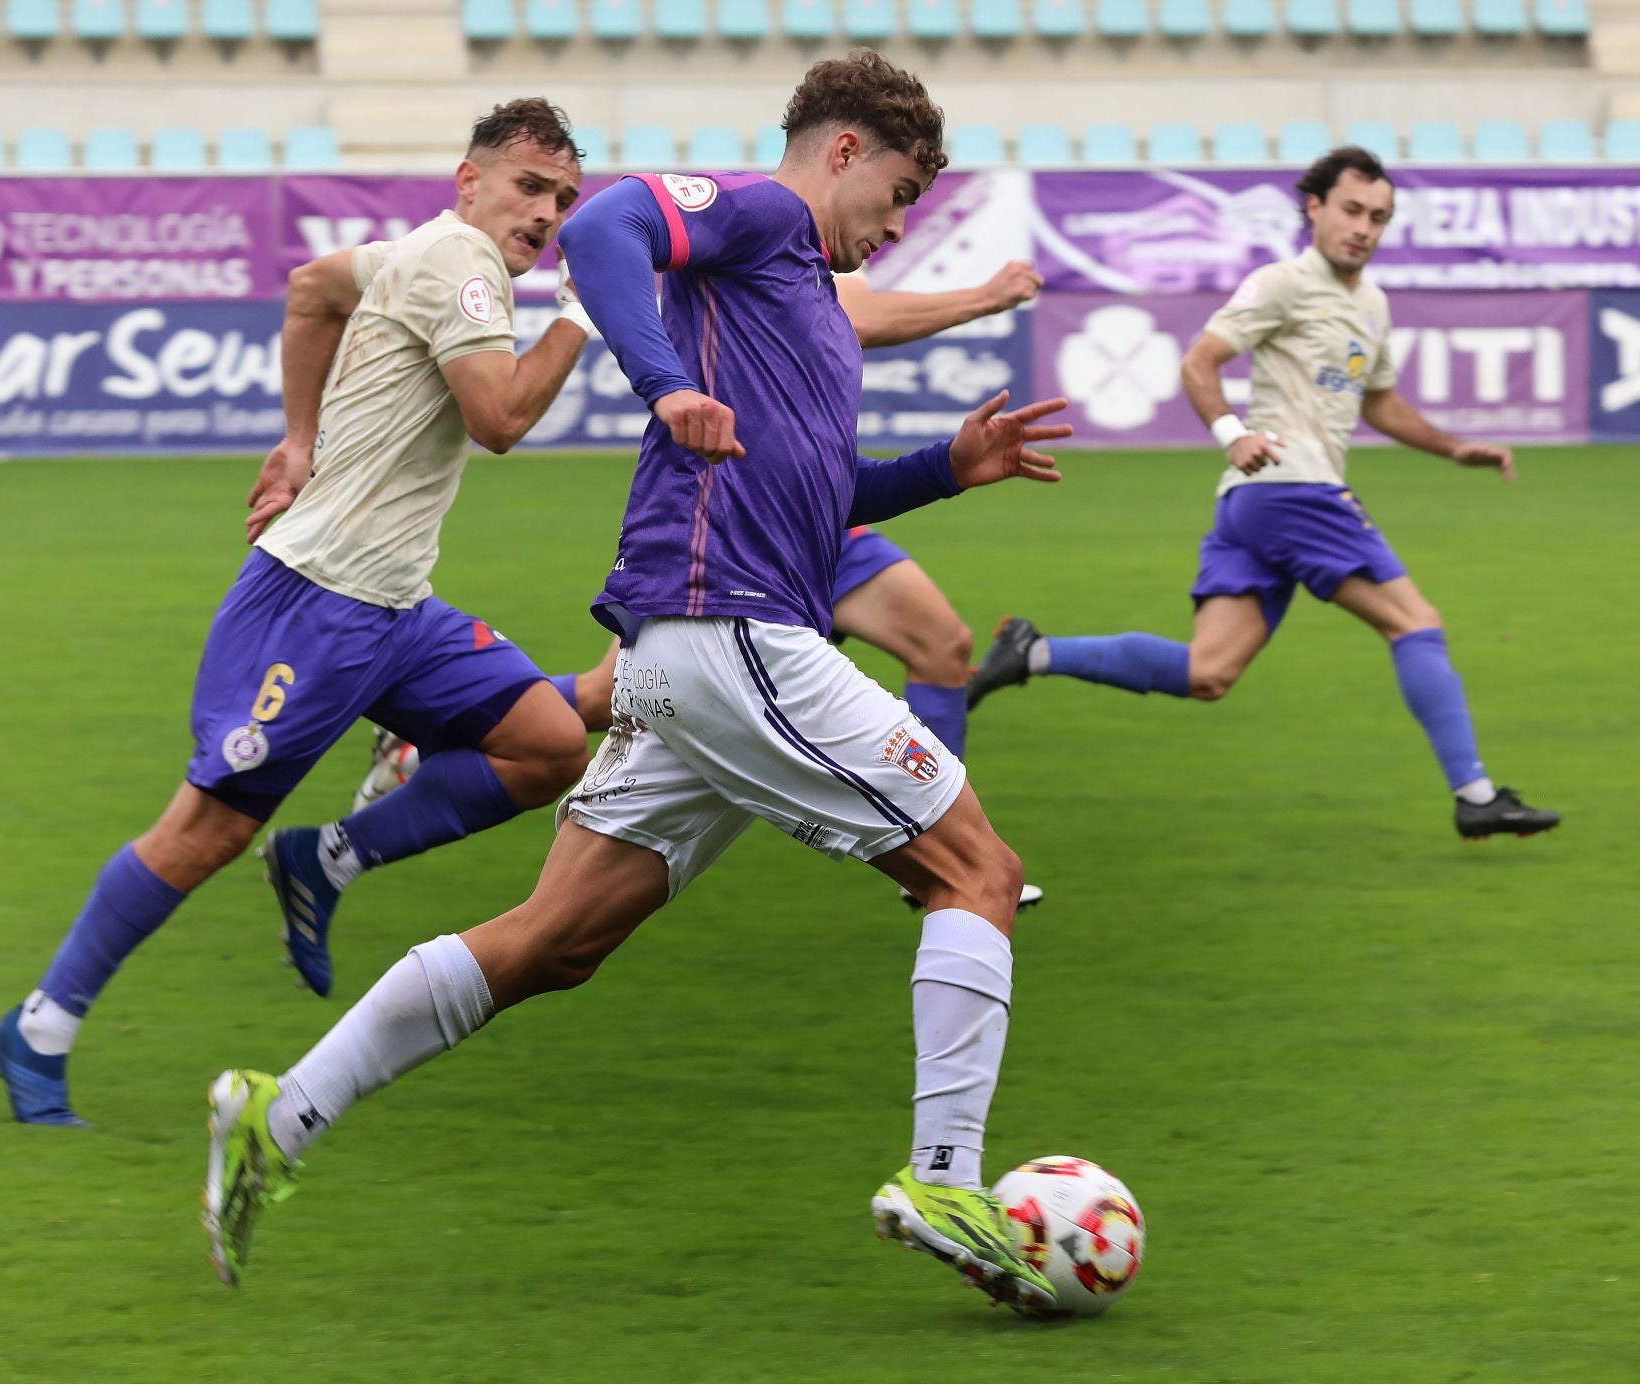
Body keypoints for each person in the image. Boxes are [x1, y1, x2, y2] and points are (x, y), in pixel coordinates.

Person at [202, 51, 1072, 1312]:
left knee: (554, 943)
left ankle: (275, 1119)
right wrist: (663, 384)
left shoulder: (806, 298)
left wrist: (949, 465)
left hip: (700, 657)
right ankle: (945, 1178)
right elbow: (609, 225)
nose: (897, 226)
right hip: (732, 640)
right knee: (977, 872)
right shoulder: (765, 212)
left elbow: (819, 499)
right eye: (897, 192)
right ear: (840, 152)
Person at [0, 100, 595, 1126]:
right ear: (469, 181)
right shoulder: (466, 266)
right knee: (204, 831)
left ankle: (328, 856)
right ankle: (38, 1029)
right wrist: (583, 309)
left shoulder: (420, 251)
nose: (545, 213)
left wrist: (300, 438)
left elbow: (312, 287)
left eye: (564, 200)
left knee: (548, 743)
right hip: (313, 604)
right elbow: (500, 420)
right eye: (528, 187)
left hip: (395, 603)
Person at [348, 261, 1050, 909]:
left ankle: (938, 847)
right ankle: (426, 740)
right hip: (745, 530)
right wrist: (988, 297)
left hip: (813, 514)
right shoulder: (777, 236)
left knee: (942, 643)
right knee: (601, 699)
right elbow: (859, 315)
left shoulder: (803, 237)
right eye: (897, 194)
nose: (893, 226)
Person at [968, 146, 1560, 842]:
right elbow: (1200, 359)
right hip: (1292, 488)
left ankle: (1034, 652)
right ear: (1314, 208)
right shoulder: (1282, 282)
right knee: (1415, 623)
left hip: (1259, 506)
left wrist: (1455, 447)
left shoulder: (1371, 304)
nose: (1364, 227)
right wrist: (1231, 431)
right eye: (1351, 210)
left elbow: (1381, 404)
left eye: (1378, 217)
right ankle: (1476, 794)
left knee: (1208, 671)